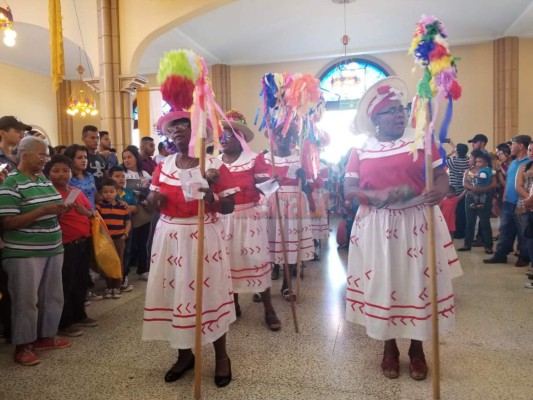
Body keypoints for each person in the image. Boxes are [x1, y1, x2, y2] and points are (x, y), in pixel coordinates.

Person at [343, 77, 462, 380]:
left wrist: (440, 190)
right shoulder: (362, 149)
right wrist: (374, 196)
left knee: (417, 284)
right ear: (375, 118)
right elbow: (349, 188)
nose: (399, 115)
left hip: (416, 222)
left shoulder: (421, 138)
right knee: (384, 283)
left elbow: (441, 177)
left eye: (402, 109)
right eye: (391, 111)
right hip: (377, 227)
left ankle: (418, 348)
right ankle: (389, 347)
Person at [142, 110, 236, 387]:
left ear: (201, 132)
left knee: (209, 293)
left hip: (203, 235)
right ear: (168, 135)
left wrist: (211, 194)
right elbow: (151, 199)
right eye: (174, 127)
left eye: (186, 124)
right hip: (170, 235)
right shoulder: (165, 164)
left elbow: (229, 206)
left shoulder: (216, 165)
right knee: (175, 293)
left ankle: (221, 357)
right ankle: (184, 354)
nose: (179, 129)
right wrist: (153, 198)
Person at [0, 136, 71, 366]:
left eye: (46, 155)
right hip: (24, 251)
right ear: (25, 154)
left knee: (51, 295)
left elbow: (48, 206)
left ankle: (45, 336)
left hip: (52, 246)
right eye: (41, 154)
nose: (45, 159)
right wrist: (43, 211)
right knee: (26, 300)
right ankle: (23, 346)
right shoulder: (11, 183)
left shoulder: (42, 179)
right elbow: (8, 222)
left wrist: (59, 210)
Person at [218, 111, 281, 331]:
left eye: (229, 135)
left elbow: (267, 187)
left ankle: (269, 308)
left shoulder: (254, 159)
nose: (223, 139)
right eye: (222, 135)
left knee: (256, 260)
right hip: (223, 219)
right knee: (227, 262)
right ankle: (233, 304)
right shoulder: (214, 162)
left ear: (240, 138)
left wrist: (272, 183)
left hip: (249, 218)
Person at [44, 155, 98, 337]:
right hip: (64, 244)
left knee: (81, 281)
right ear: (48, 173)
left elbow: (91, 214)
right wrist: (61, 213)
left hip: (82, 242)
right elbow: (47, 219)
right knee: (65, 284)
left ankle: (79, 314)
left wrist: (86, 212)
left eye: (65, 170)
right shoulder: (49, 193)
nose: (61, 175)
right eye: (56, 171)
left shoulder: (76, 191)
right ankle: (65, 322)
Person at [264, 122, 315, 301]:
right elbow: (260, 187)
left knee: (291, 246)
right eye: (279, 135)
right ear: (273, 138)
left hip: (295, 204)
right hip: (273, 203)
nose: (283, 139)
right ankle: (263, 287)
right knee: (268, 245)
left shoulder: (299, 158)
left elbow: (308, 188)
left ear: (293, 138)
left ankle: (287, 285)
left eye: (287, 135)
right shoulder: (266, 158)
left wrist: (304, 179)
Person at [484, 135, 532, 266]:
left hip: (522, 203)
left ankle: (524, 257)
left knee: (523, 231)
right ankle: (501, 254)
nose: (510, 147)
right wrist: (504, 196)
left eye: (513, 144)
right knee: (505, 229)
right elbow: (510, 182)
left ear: (521, 146)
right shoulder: (514, 162)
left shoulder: (529, 162)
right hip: (508, 202)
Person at [96, 178, 131, 300]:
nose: (108, 194)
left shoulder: (122, 206)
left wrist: (125, 234)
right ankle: (109, 286)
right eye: (105, 192)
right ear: (101, 193)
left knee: (118, 261)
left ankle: (117, 286)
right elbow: (97, 222)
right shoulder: (99, 207)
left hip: (119, 238)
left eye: (111, 191)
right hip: (106, 240)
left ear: (117, 192)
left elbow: (128, 221)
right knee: (107, 261)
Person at [122, 145, 152, 280]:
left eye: (129, 157)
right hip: (126, 211)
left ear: (136, 158)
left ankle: (143, 269)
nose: (126, 160)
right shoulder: (122, 174)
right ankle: (124, 272)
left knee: (142, 242)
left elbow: (150, 190)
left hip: (142, 211)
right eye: (124, 158)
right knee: (128, 243)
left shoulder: (144, 174)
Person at [458, 151, 496, 254]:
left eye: (471, 158)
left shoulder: (489, 171)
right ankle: (467, 244)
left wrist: (481, 190)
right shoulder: (468, 171)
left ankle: (488, 246)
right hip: (471, 197)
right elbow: (465, 183)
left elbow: (493, 184)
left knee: (485, 222)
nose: (469, 160)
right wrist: (473, 188)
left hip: (485, 198)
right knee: (470, 222)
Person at [109, 165, 137, 292]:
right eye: (117, 176)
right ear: (110, 178)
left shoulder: (129, 193)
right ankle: (111, 282)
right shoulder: (108, 193)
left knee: (126, 253)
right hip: (111, 229)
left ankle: (123, 278)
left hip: (126, 228)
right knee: (112, 255)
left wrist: (131, 208)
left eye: (123, 177)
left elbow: (136, 207)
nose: (121, 179)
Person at [446, 143, 469, 238]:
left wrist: (451, 152)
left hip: (454, 190)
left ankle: (456, 232)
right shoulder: (468, 161)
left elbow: (442, 160)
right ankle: (462, 232)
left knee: (454, 213)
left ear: (457, 151)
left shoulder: (453, 161)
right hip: (464, 189)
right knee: (462, 213)